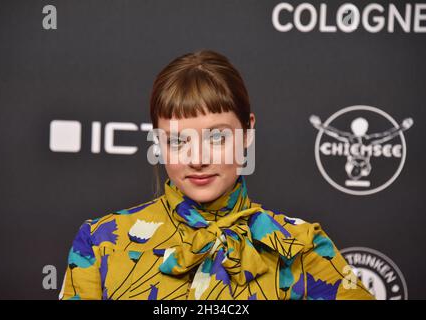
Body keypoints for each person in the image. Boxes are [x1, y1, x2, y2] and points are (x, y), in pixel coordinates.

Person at [59, 50, 374, 300]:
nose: (197, 158)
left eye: (217, 137)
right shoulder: (101, 243)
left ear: (248, 131)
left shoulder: (303, 246)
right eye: (178, 140)